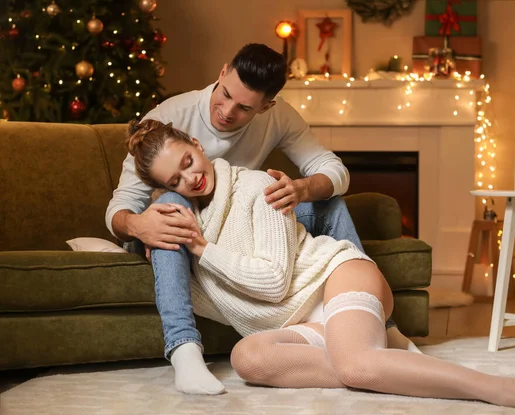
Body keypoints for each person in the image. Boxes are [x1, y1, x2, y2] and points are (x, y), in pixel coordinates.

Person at [124, 120, 515, 414]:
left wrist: (204, 250)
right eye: (175, 180)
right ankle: (380, 353)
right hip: (303, 320)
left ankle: (501, 390)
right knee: (248, 359)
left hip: (336, 279)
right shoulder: (180, 223)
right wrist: (146, 238)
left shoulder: (260, 187)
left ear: (197, 145)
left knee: (358, 367)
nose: (190, 178)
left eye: (188, 161)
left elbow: (272, 280)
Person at [106, 43, 414, 395]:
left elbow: (334, 170)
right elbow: (120, 206)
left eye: (243, 108)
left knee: (330, 204)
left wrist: (303, 188)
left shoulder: (279, 117)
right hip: (189, 224)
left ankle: (376, 323)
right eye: (224, 95)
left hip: (246, 220)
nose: (225, 111)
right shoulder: (173, 115)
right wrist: (137, 226)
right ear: (222, 73)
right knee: (172, 204)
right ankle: (184, 349)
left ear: (266, 107)